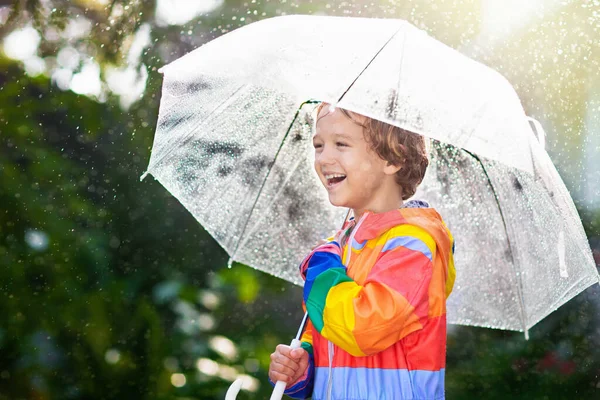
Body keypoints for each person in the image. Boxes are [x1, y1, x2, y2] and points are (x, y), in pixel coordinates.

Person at [268, 103, 456, 400]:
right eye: (318, 145)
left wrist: (321, 273)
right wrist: (303, 367)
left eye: (341, 144)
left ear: (393, 157)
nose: (323, 157)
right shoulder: (341, 247)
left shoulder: (413, 244)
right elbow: (328, 333)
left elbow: (364, 328)